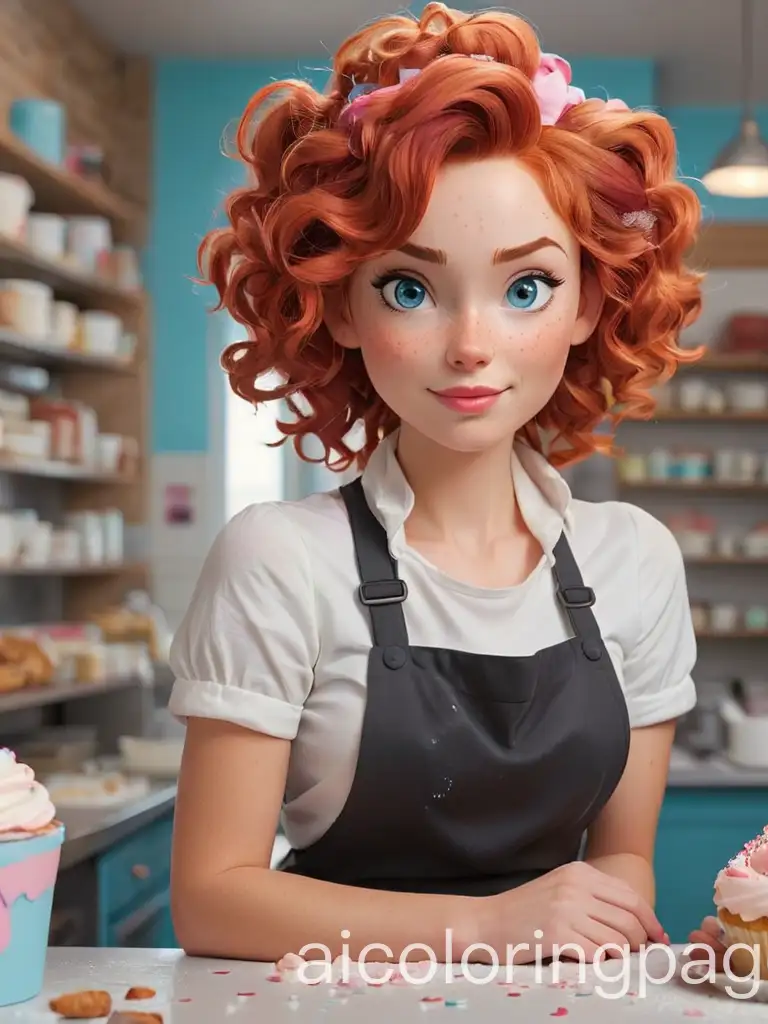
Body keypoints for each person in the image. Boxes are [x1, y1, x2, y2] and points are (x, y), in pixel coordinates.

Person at [168, 2, 711, 966]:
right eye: (409, 288)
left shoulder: (635, 563)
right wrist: (491, 928)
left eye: (526, 287)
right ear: (337, 306)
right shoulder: (281, 560)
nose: (470, 345)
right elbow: (212, 903)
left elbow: (624, 860)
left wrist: (607, 923)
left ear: (589, 302)